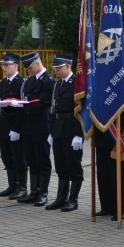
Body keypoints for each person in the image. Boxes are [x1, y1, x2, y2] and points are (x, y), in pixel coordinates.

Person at [45, 55, 85, 212]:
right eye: (55, 68)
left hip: (71, 130)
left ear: (68, 66)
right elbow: (54, 110)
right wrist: (51, 132)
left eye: (59, 68)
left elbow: (81, 111)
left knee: (73, 166)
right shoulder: (58, 85)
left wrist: (79, 134)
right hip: (58, 129)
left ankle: (73, 199)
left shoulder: (77, 84)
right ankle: (61, 198)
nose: (56, 71)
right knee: (61, 166)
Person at [0, 52, 27, 200]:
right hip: (3, 124)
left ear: (16, 65)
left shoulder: (22, 83)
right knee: (6, 157)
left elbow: (23, 108)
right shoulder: (3, 83)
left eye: (7, 64)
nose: (4, 67)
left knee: (19, 157)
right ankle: (12, 185)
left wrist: (16, 128)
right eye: (3, 64)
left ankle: (22, 187)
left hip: (15, 124)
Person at [16, 52, 55, 207]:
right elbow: (26, 98)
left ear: (38, 63)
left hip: (41, 125)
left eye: (30, 67)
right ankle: (34, 191)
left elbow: (45, 103)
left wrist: (24, 105)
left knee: (42, 159)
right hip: (28, 125)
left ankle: (43, 193)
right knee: (31, 159)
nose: (29, 70)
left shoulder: (49, 81)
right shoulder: (30, 81)